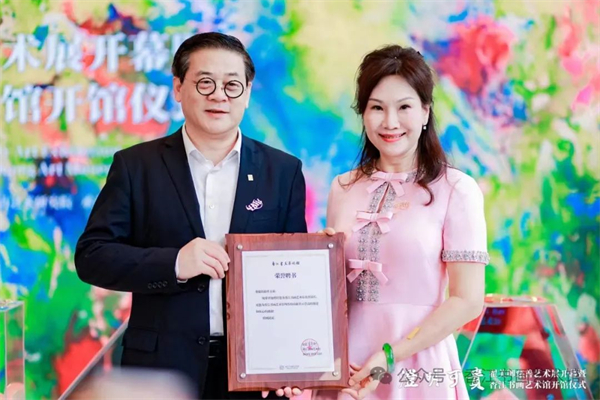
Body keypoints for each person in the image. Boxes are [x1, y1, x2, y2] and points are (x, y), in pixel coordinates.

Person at [75, 32, 307, 399]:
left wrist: (295, 360)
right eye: (205, 83)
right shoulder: (136, 166)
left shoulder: (282, 172)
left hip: (254, 373)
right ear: (179, 88)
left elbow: (295, 278)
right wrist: (175, 263)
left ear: (247, 93)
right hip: (160, 371)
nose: (219, 96)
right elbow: (92, 256)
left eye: (232, 85)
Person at [315, 45, 489, 400]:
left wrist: (390, 355)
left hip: (418, 365)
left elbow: (467, 300)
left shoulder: (457, 189)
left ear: (425, 111)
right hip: (346, 370)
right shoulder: (342, 188)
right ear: (363, 113)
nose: (390, 122)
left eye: (404, 107)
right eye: (377, 107)